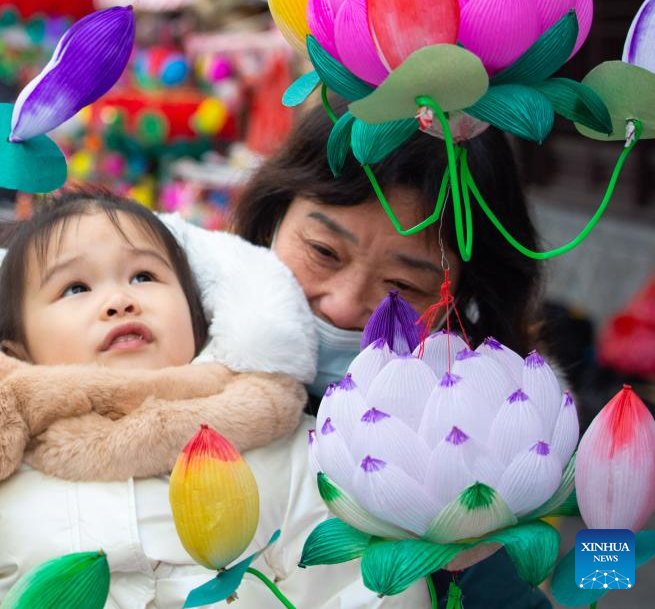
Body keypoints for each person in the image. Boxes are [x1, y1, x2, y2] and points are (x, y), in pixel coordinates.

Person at [0, 190, 425, 607]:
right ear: (17, 346)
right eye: (75, 289)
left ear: (199, 314)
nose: (118, 300)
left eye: (143, 276)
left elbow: (363, 589)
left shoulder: (288, 451)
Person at [232, 103, 550, 607]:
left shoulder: (474, 456)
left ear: (466, 302)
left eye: (402, 285)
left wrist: (603, 569)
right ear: (272, 217)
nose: (342, 304)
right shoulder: (170, 345)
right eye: (322, 250)